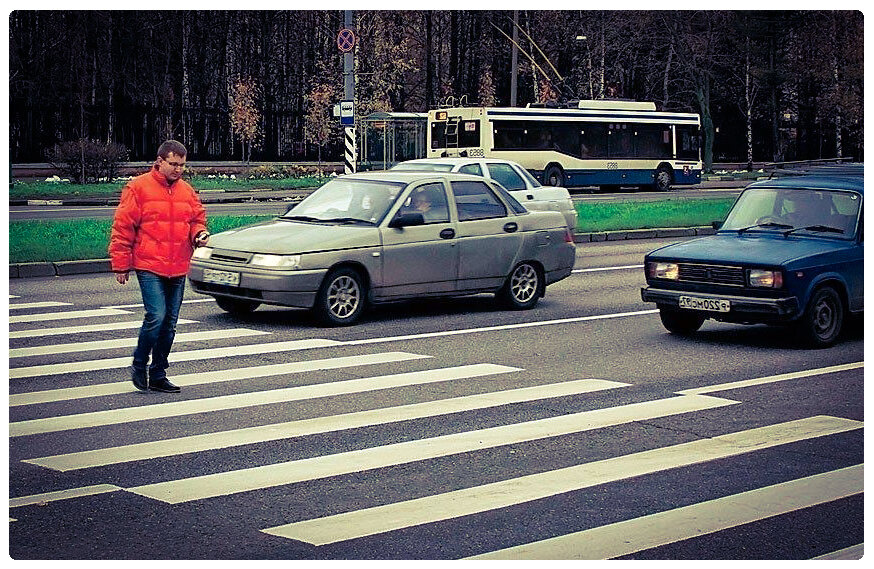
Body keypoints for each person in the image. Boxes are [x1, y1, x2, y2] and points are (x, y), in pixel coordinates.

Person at [109, 140, 210, 393]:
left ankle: (158, 374)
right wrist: (121, 264)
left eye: (182, 165)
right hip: (149, 264)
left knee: (170, 324)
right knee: (156, 316)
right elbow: (123, 228)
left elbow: (196, 219)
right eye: (173, 164)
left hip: (177, 265)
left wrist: (199, 234)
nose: (178, 169)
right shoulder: (138, 188)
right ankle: (139, 363)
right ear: (159, 161)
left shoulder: (186, 191)